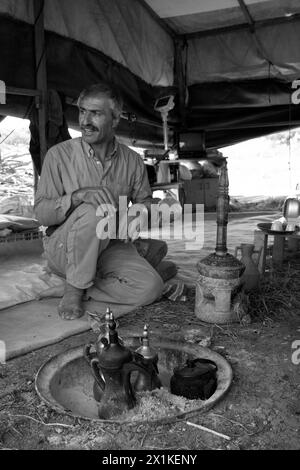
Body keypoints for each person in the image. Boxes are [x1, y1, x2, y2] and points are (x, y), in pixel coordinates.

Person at [34, 82, 177, 320]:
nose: (85, 121)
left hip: (108, 245)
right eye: (82, 111)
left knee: (150, 288)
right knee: (95, 209)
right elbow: (41, 214)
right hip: (64, 248)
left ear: (115, 119)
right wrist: (78, 196)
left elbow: (144, 203)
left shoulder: (132, 160)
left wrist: (144, 211)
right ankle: (73, 290)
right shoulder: (58, 156)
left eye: (96, 113)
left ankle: (83, 287)